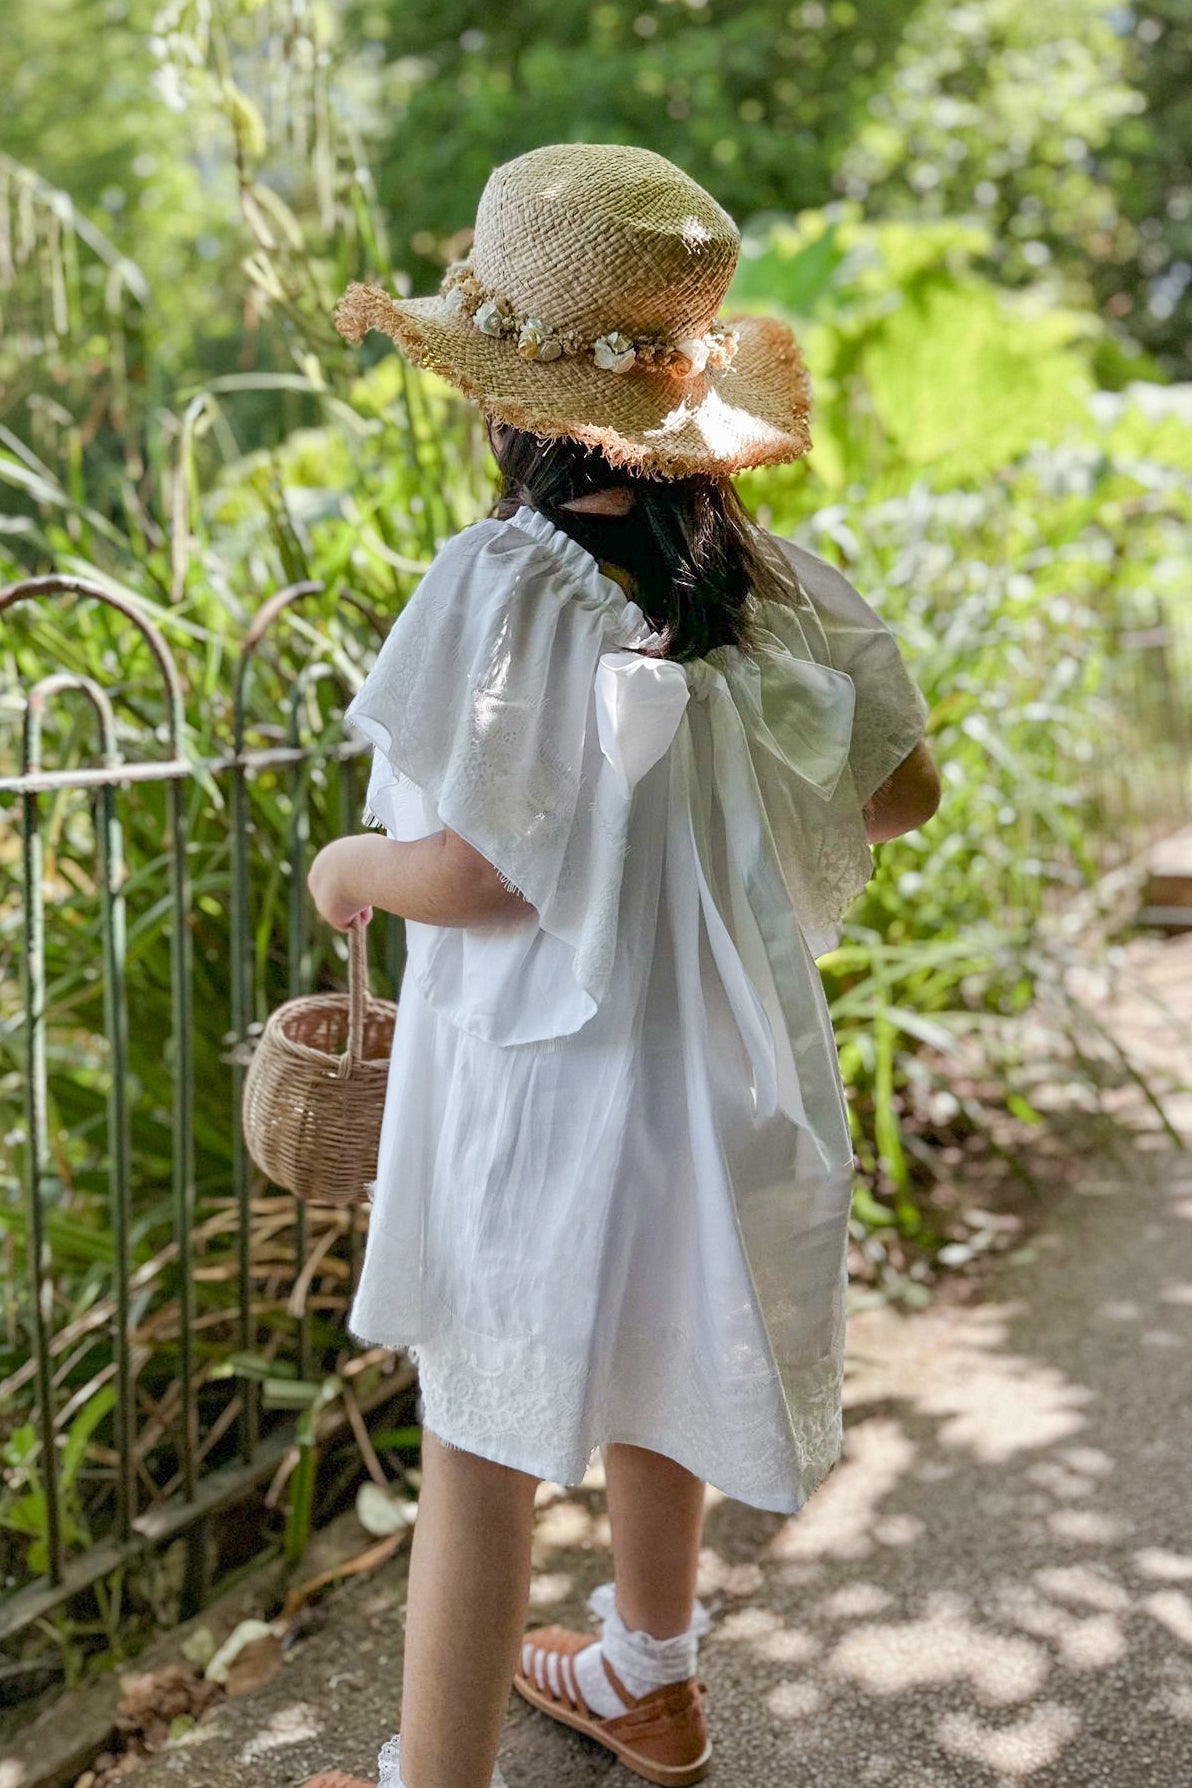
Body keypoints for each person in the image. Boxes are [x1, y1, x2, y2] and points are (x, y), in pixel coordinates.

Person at [304, 143, 939, 1788]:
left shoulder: (503, 578)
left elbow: (477, 876)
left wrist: (348, 867)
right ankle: (648, 1676)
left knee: (481, 1443)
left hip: (543, 1084)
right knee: (670, 1357)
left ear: (502, 405)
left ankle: (434, 1775)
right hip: (715, 1066)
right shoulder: (763, 584)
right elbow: (905, 793)